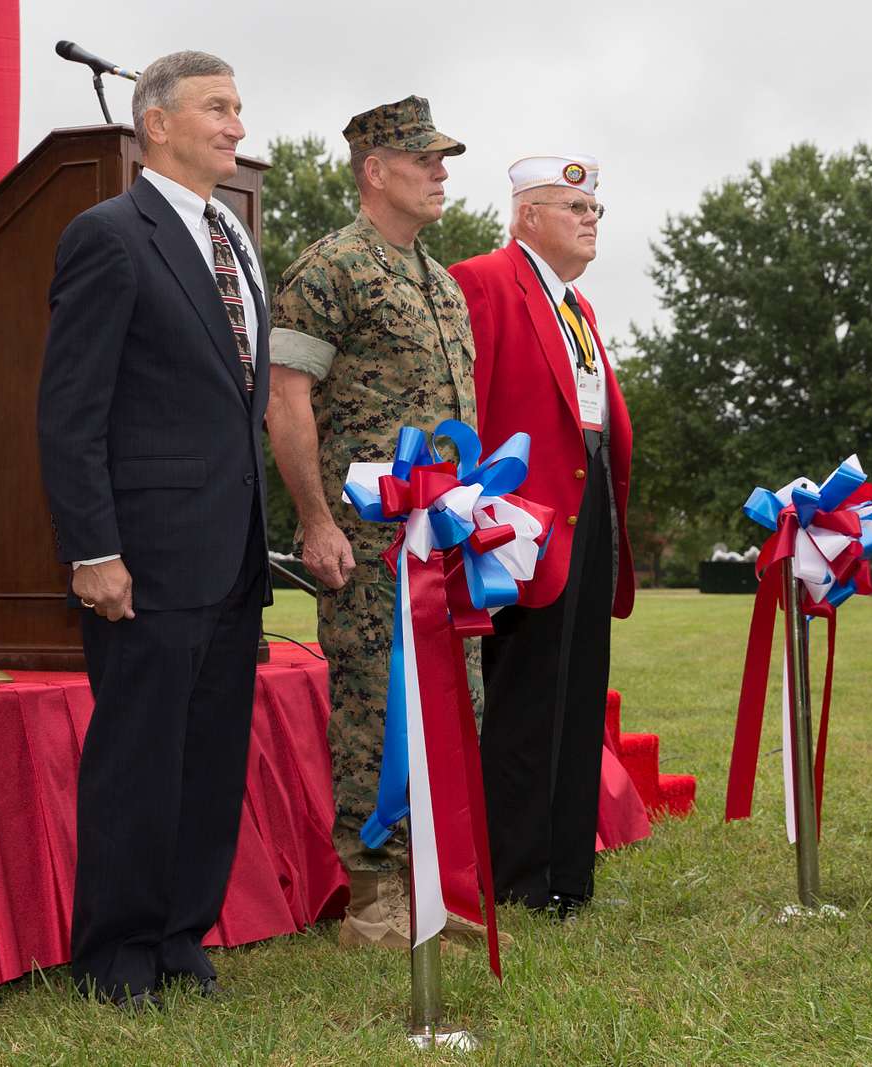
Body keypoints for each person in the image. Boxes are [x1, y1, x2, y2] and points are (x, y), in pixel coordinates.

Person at [36, 50, 270, 1008]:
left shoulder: (237, 237)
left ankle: (180, 932)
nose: (237, 126)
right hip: (146, 552)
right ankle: (116, 953)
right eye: (217, 107)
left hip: (234, 549)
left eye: (240, 107)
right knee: (139, 756)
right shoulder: (108, 234)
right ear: (156, 123)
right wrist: (94, 549)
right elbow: (69, 410)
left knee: (211, 754)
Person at [266, 96, 484, 949]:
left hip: (446, 543)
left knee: (448, 703)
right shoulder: (330, 270)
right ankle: (374, 896)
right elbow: (286, 403)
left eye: (441, 159)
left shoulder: (440, 280)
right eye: (424, 159)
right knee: (372, 707)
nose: (439, 172)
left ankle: (434, 881)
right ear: (374, 171)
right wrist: (315, 521)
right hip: (367, 543)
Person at [447, 155, 635, 920]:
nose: (590, 219)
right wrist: (476, 509)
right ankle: (516, 877)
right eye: (572, 207)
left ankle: (566, 871)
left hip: (588, 511)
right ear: (525, 215)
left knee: (577, 692)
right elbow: (467, 403)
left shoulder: (578, 307)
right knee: (525, 698)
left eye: (595, 209)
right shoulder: (484, 280)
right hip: (521, 522)